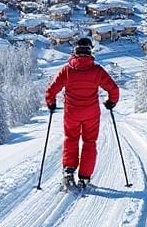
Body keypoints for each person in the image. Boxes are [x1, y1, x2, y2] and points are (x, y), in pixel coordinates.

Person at [45, 37, 120, 189]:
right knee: (89, 142)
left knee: (71, 139)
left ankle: (68, 170)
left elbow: (51, 90)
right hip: (91, 113)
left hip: (71, 113)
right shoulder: (97, 70)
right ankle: (84, 177)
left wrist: (51, 103)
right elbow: (113, 89)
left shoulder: (67, 70)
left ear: (76, 51)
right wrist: (111, 102)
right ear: (90, 51)